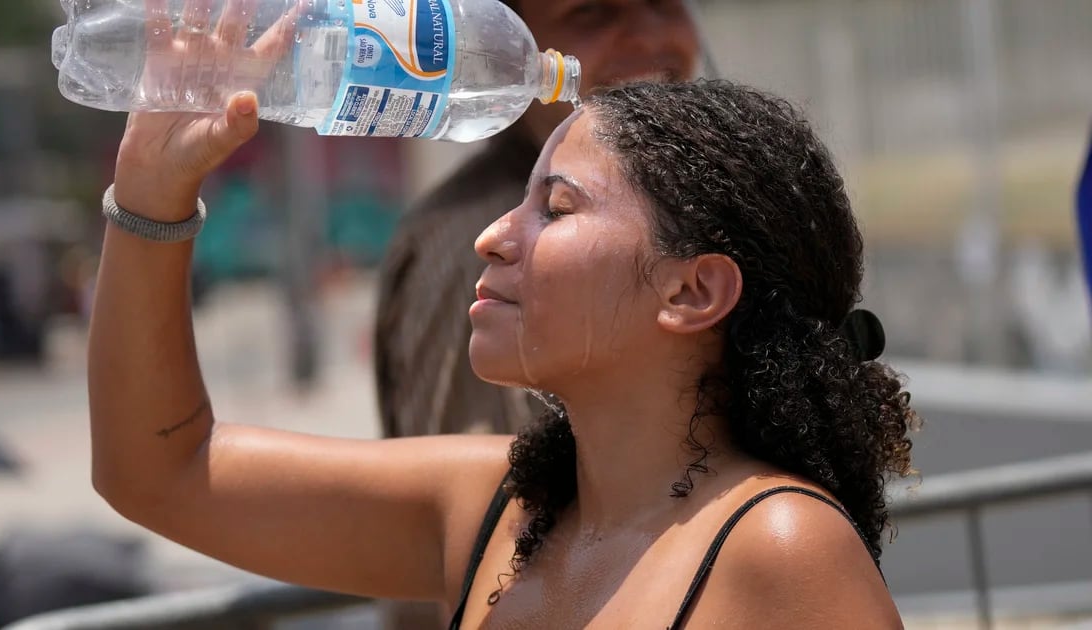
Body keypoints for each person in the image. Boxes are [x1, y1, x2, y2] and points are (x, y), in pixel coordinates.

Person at [87, 9, 918, 623]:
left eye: (555, 209)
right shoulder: (491, 504)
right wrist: (151, 196)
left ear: (691, 292)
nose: (490, 237)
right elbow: (160, 471)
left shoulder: (780, 550)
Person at [376, 0, 704, 442]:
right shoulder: (480, 243)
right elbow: (482, 497)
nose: (648, 37)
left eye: (665, 4)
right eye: (592, 13)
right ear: (506, 44)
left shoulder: (697, 196)